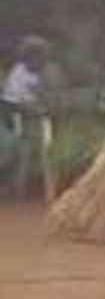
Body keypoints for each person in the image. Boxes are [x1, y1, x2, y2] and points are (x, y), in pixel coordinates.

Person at [1, 37, 52, 198]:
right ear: (30, 56)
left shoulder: (37, 73)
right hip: (11, 116)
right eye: (39, 56)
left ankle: (18, 191)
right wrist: (36, 110)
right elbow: (15, 103)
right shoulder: (18, 73)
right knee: (14, 153)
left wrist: (42, 108)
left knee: (27, 154)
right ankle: (12, 191)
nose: (43, 61)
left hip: (29, 118)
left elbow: (40, 96)